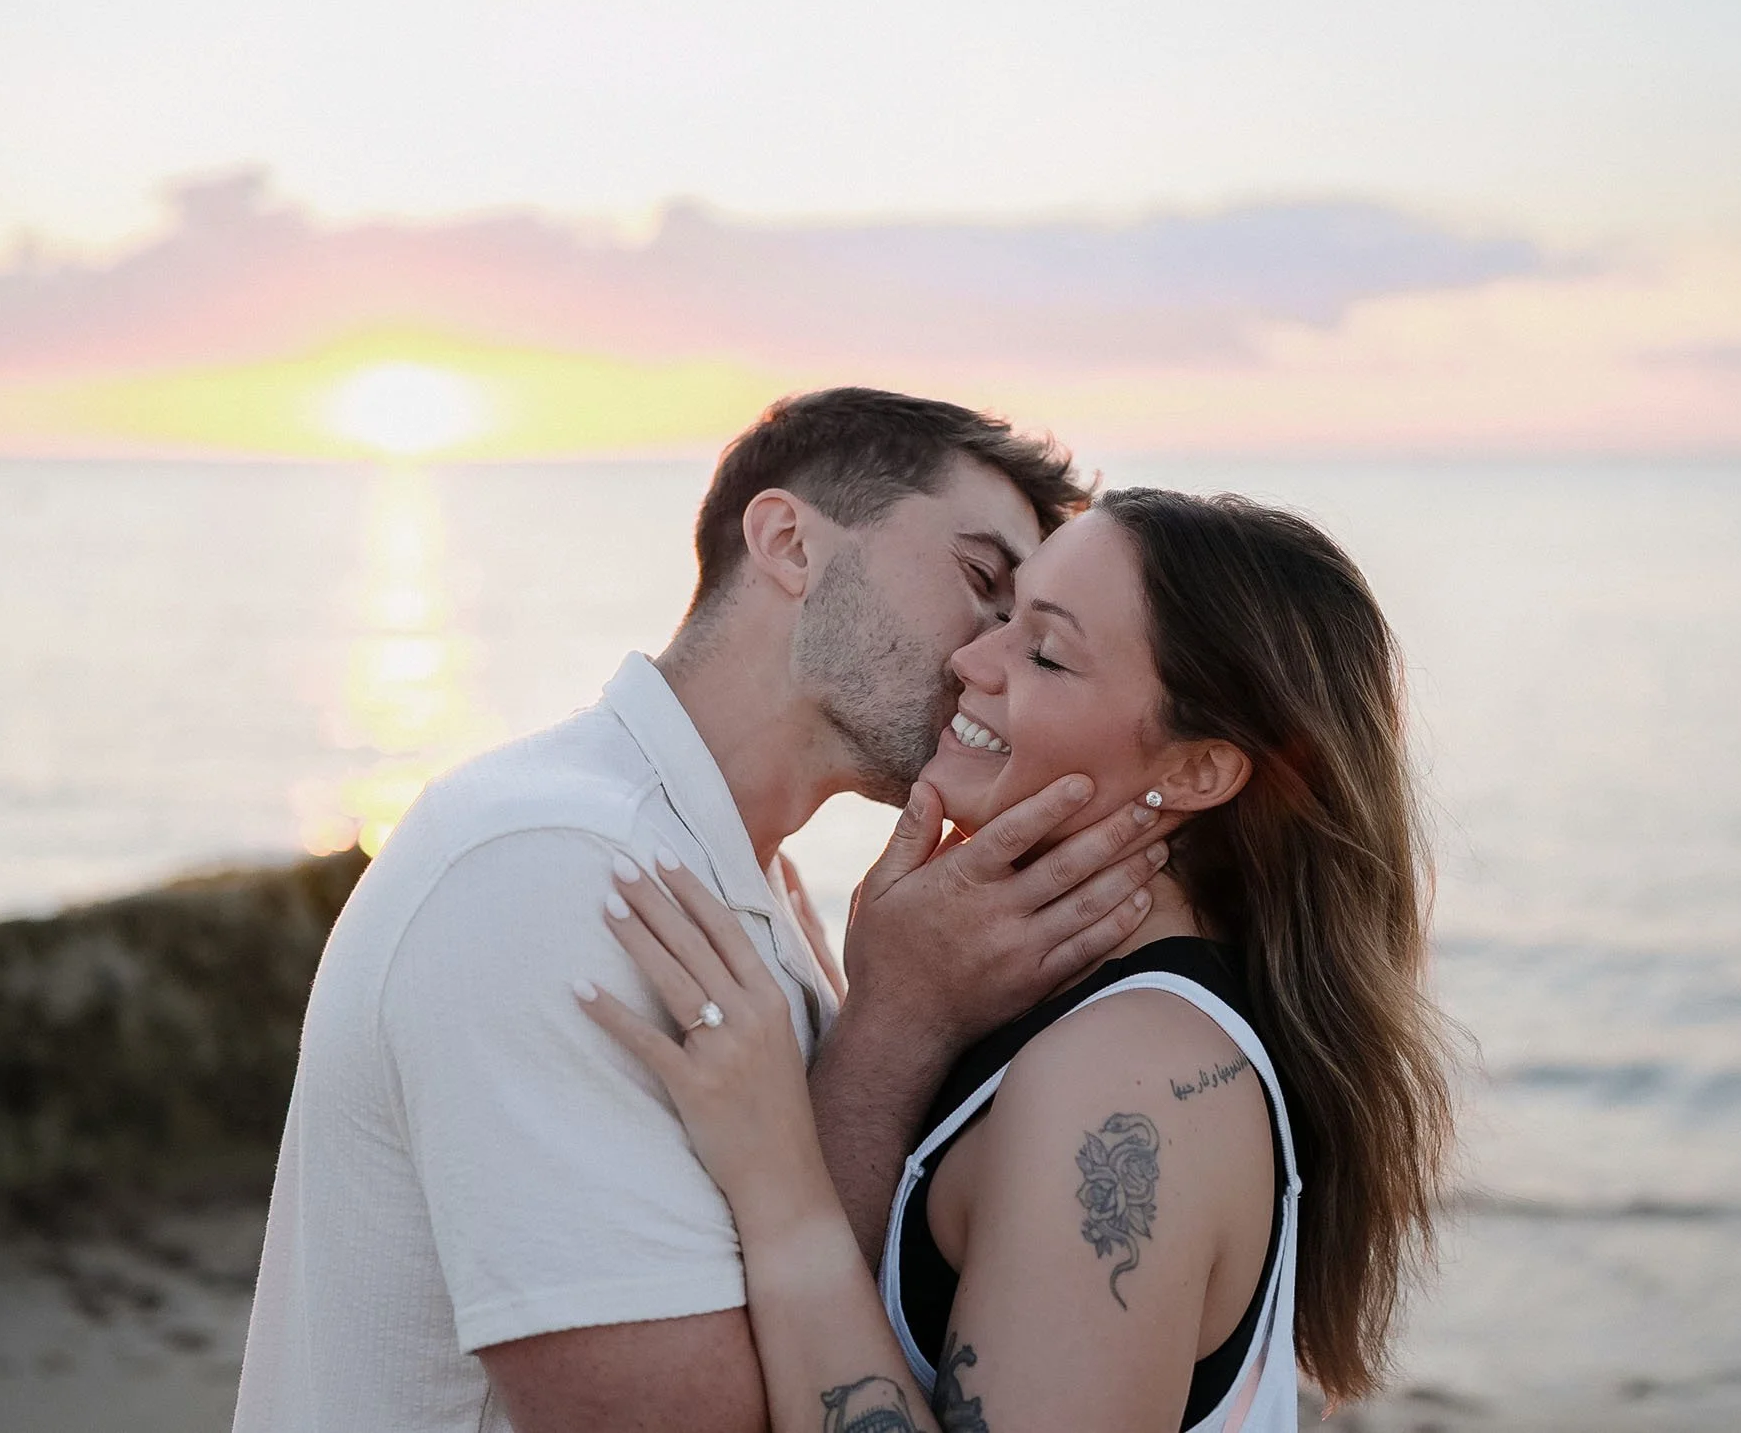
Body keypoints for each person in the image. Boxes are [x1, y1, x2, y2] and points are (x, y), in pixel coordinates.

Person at [233, 388, 1179, 1433]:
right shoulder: (557, 872)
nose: (987, 662)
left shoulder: (729, 875)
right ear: (786, 541)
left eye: (1028, 629)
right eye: (978, 582)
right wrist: (898, 1025)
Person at [581, 488, 1458, 1431]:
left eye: (1044, 652)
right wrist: (874, 1009)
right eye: (1001, 615)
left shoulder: (1127, 1082)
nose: (969, 659)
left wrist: (779, 1180)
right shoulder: (1076, 1019)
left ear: (1197, 769)